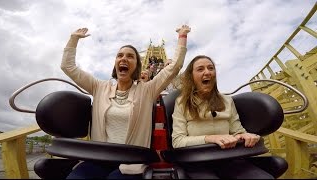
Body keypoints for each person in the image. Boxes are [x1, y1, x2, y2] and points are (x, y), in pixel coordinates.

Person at [60, 25, 190, 179]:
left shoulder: (147, 91)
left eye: (130, 56)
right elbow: (68, 67)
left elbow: (174, 67)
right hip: (98, 159)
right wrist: (73, 39)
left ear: (137, 65)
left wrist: (182, 37)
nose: (124, 58)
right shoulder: (98, 87)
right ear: (115, 63)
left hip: (131, 163)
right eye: (120, 55)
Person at [171, 55, 274, 179]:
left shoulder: (227, 100)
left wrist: (244, 135)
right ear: (191, 77)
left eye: (211, 68)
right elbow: (178, 141)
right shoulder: (181, 103)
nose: (207, 72)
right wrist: (211, 138)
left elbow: (237, 131)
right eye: (200, 69)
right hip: (197, 161)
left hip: (228, 159)